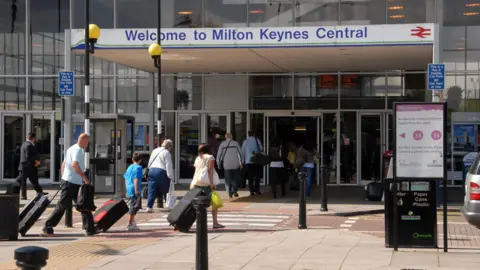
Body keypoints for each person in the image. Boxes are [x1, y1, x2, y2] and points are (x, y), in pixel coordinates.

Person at [42, 133, 95, 236]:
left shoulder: (71, 148)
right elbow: (74, 164)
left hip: (71, 181)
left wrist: (64, 177)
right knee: (63, 205)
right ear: (83, 141)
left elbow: (64, 164)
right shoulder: (78, 150)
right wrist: (84, 177)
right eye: (87, 141)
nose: (88, 144)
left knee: (83, 204)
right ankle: (47, 226)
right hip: (71, 182)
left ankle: (90, 229)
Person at [192, 144, 224, 229]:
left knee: (197, 204)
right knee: (215, 203)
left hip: (196, 183)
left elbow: (196, 171)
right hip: (206, 184)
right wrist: (212, 183)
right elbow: (210, 171)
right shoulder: (210, 157)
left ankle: (192, 222)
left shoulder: (198, 158)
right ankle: (215, 223)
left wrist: (192, 183)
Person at [16, 132, 47, 200]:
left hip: (25, 166)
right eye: (35, 138)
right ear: (33, 138)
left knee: (32, 180)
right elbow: (28, 157)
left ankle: (39, 192)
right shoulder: (29, 145)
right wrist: (36, 159)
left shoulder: (24, 144)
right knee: (24, 181)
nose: (35, 139)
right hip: (28, 166)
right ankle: (21, 194)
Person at [146, 139, 174, 213]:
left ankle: (149, 207)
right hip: (161, 171)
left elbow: (150, 161)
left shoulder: (155, 150)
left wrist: (149, 170)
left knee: (151, 190)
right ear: (170, 147)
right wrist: (170, 177)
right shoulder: (166, 153)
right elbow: (168, 166)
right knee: (167, 189)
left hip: (151, 171)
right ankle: (169, 205)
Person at [216, 133, 242, 198]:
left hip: (226, 164)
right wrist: (241, 163)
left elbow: (219, 155)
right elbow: (240, 154)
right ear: (232, 137)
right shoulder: (236, 143)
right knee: (235, 178)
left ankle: (230, 193)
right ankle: (234, 190)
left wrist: (218, 164)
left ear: (225, 137)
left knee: (228, 180)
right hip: (235, 164)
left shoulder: (223, 144)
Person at [124, 153, 143, 231]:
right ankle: (130, 223)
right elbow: (136, 179)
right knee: (134, 206)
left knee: (133, 204)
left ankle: (133, 222)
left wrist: (126, 188)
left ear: (132, 159)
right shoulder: (139, 168)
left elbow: (125, 178)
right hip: (135, 188)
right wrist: (136, 190)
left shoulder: (129, 167)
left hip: (129, 187)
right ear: (140, 160)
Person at [242, 130, 263, 196]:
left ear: (248, 134)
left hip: (248, 161)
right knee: (257, 176)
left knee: (250, 177)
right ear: (254, 134)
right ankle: (257, 190)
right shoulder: (257, 140)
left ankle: (251, 191)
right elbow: (261, 149)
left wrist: (243, 161)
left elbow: (243, 152)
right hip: (256, 160)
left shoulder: (245, 142)